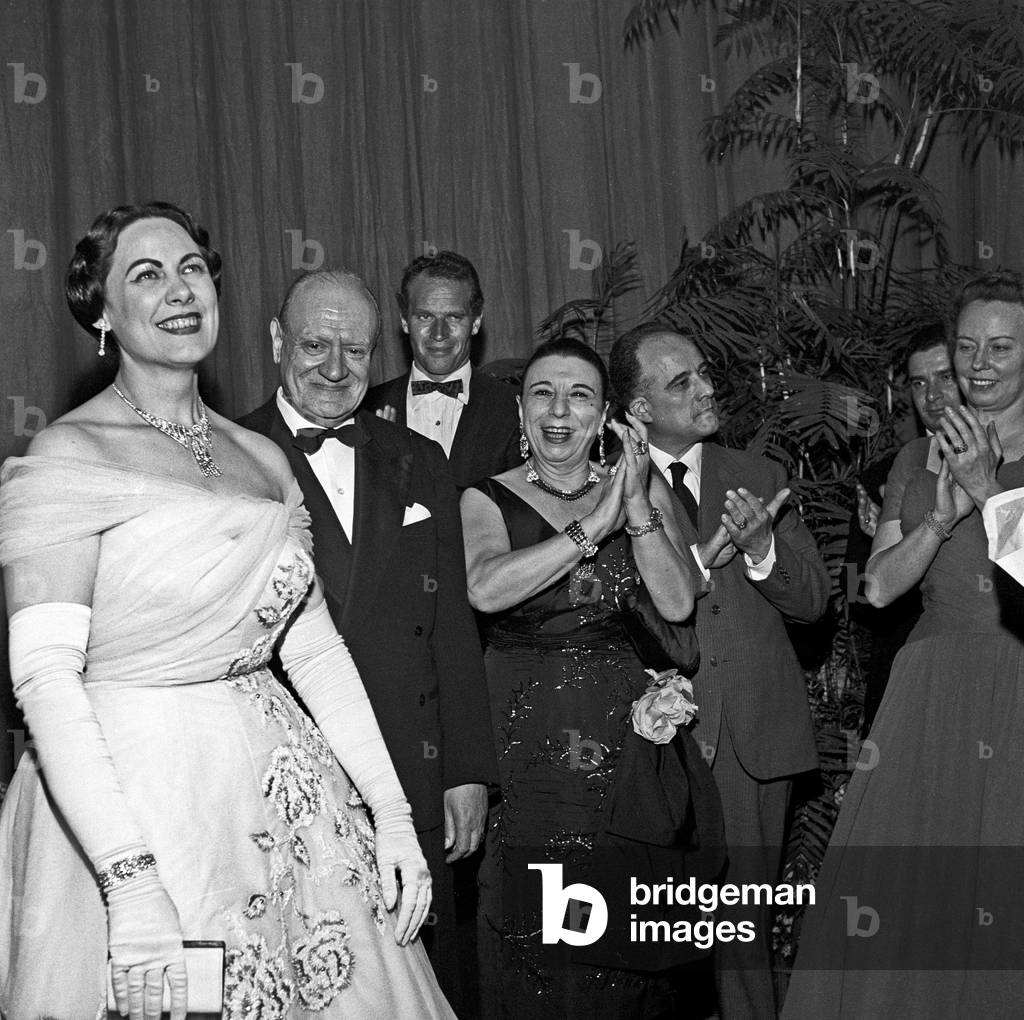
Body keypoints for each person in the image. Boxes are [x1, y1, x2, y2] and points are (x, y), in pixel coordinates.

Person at [0, 203, 453, 1019]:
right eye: (146, 274)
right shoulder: (69, 453)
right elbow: (45, 680)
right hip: (137, 801)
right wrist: (128, 880)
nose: (179, 290)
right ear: (101, 311)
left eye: (191, 269)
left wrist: (390, 813)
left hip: (284, 799)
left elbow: (314, 652)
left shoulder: (263, 458)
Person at [238, 267, 496, 1015]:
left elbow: (452, 626)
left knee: (419, 976)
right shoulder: (230, 456)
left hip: (411, 766)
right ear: (278, 341)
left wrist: (467, 771)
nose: (334, 368)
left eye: (355, 350)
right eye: (314, 345)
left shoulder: (420, 459)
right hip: (281, 768)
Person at [782, 270, 1024, 1018]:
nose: (979, 363)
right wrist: (941, 517)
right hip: (931, 692)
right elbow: (879, 587)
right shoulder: (916, 458)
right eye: (967, 346)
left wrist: (988, 490)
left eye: (1001, 346)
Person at [460, 336, 704, 1018]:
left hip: (624, 744)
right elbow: (485, 588)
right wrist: (592, 526)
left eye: (579, 396)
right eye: (543, 393)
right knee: (536, 926)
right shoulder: (486, 498)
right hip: (528, 746)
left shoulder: (641, 487)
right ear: (521, 410)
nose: (559, 411)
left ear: (604, 417)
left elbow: (677, 603)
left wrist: (634, 508)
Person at [609, 323, 830, 1020]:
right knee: (647, 934)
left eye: (704, 372)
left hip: (747, 738)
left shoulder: (758, 478)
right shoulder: (604, 484)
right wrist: (704, 558)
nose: (706, 388)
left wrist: (763, 551)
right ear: (639, 408)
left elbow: (814, 602)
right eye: (682, 382)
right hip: (646, 738)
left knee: (739, 935)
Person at [849, 324, 963, 734]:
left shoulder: (1009, 461)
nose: (932, 396)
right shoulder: (881, 478)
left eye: (945, 377)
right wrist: (884, 545)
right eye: (919, 383)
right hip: (903, 669)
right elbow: (857, 595)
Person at [364, 250, 521, 489]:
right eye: (425, 317)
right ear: (405, 320)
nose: (439, 333)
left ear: (476, 321)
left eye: (454, 317)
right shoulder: (364, 411)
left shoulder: (514, 410)